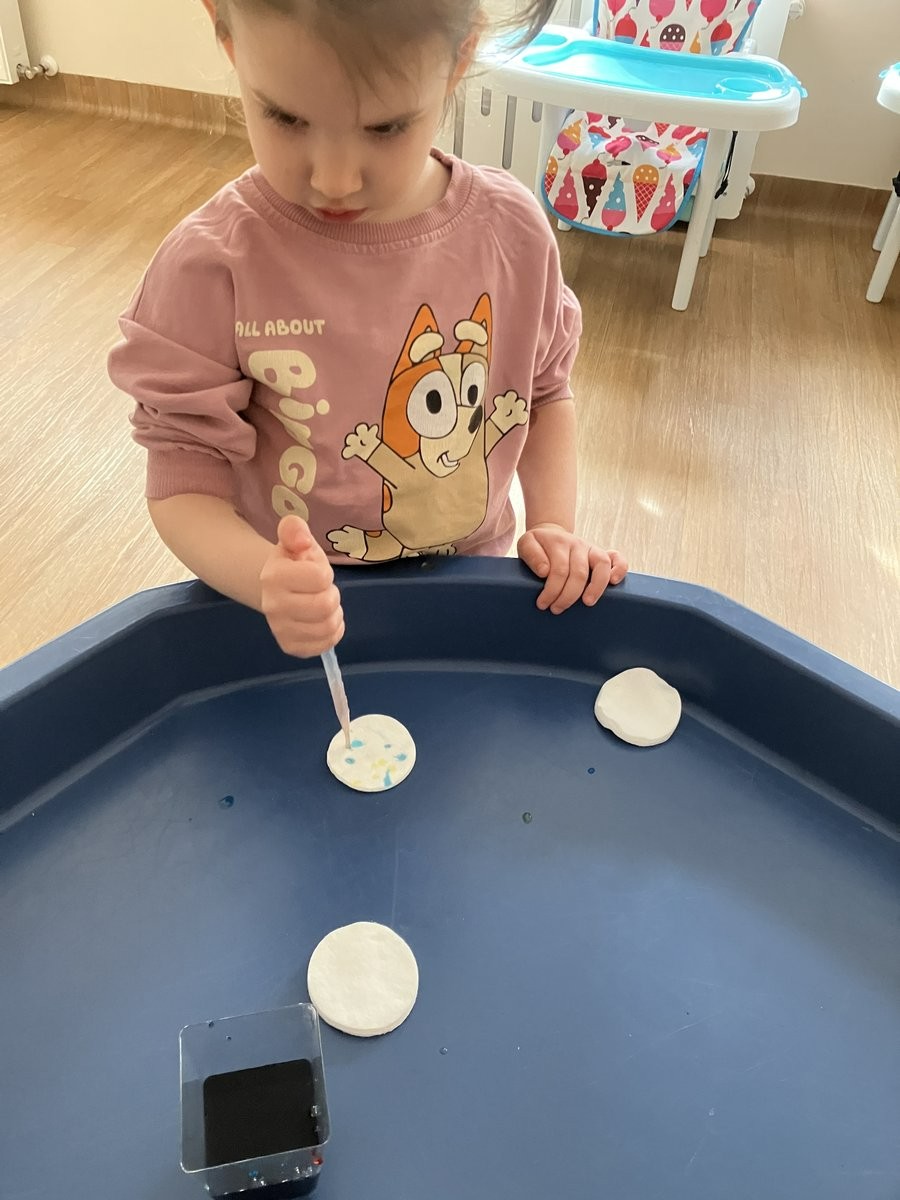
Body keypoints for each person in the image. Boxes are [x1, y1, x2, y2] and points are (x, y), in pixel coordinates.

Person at [108, 0, 627, 659]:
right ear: (226, 34)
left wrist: (553, 525)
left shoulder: (512, 235)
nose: (334, 180)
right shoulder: (212, 266)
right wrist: (265, 579)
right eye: (286, 118)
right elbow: (182, 479)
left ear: (460, 59)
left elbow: (544, 391)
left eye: (385, 127)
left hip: (465, 597)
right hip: (285, 624)